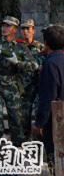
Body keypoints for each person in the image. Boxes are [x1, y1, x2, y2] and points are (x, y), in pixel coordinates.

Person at [0, 16, 37, 145]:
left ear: (15, 29)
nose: (4, 28)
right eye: (3, 25)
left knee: (16, 117)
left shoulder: (20, 47)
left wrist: (18, 63)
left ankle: (19, 146)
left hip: (12, 83)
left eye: (8, 26)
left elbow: (33, 66)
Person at [32, 24, 64, 164]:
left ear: (46, 43)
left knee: (55, 158)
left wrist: (39, 124)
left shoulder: (50, 64)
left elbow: (48, 98)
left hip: (56, 120)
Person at [19, 19, 45, 134]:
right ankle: (25, 140)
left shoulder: (41, 47)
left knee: (39, 113)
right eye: (23, 29)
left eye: (28, 29)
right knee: (24, 115)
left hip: (38, 84)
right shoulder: (17, 47)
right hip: (24, 86)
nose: (25, 31)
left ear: (33, 30)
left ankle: (39, 141)